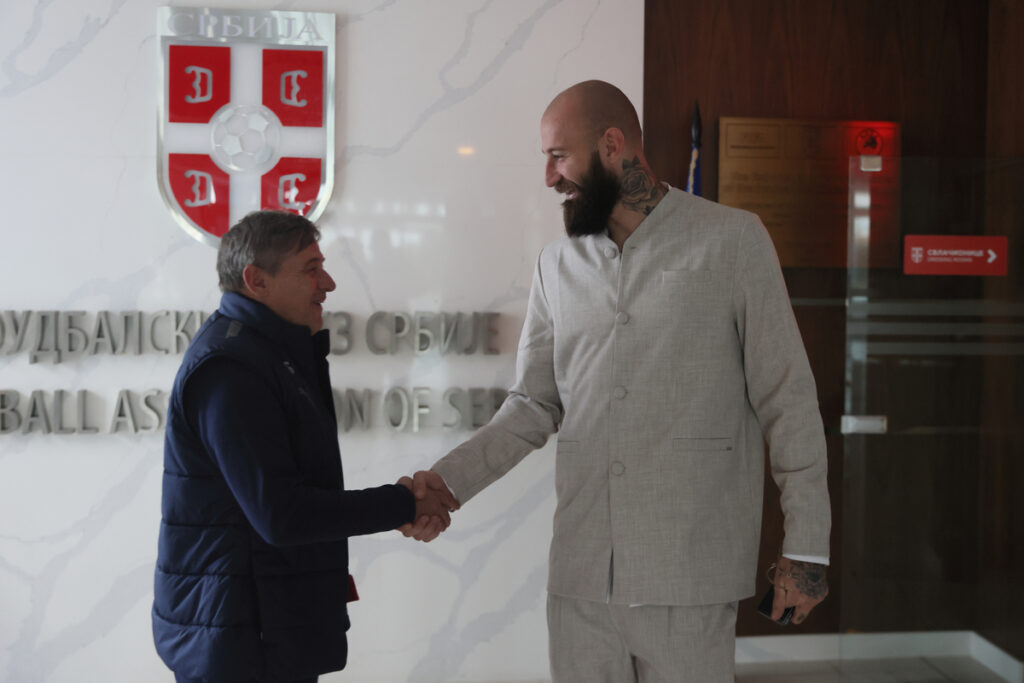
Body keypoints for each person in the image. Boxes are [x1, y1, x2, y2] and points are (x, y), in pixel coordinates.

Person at [404, 80, 831, 681]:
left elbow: (787, 397)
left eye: (558, 156)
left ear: (611, 145)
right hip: (581, 578)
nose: (549, 178)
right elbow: (532, 404)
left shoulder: (733, 240)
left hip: (690, 574)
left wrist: (806, 546)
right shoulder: (556, 264)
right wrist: (445, 483)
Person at [152, 210, 456, 683]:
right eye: (310, 268)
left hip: (261, 629)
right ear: (257, 281)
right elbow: (281, 514)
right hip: (238, 642)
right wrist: (401, 504)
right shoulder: (231, 368)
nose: (328, 282)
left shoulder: (269, 353)